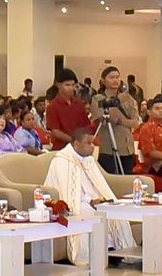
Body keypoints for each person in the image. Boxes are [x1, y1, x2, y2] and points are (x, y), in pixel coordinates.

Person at [43, 128, 135, 264]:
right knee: (88, 213)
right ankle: (93, 254)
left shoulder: (89, 160)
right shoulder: (62, 161)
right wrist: (90, 200)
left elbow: (98, 184)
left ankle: (114, 250)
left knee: (113, 211)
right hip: (72, 202)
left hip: (93, 200)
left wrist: (103, 199)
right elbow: (68, 191)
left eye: (93, 143)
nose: (92, 146)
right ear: (76, 144)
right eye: (88, 143)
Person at [88, 65, 140, 175]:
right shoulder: (98, 99)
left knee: (127, 179)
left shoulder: (128, 98)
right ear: (103, 81)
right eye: (111, 77)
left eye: (117, 77)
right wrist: (117, 101)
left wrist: (118, 121)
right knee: (111, 179)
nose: (115, 80)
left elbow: (136, 123)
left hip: (127, 147)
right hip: (108, 148)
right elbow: (103, 120)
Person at [44, 68, 90, 150]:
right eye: (67, 85)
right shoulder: (53, 106)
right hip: (61, 149)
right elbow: (55, 131)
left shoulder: (79, 104)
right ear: (58, 85)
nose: (71, 88)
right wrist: (73, 141)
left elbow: (86, 125)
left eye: (73, 85)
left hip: (80, 148)